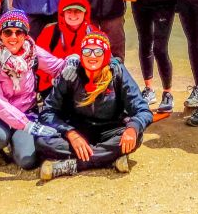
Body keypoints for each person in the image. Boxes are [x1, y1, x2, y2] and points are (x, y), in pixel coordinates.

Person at [37, 32, 153, 179]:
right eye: (87, 51)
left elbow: (143, 110)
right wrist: (70, 133)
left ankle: (73, 165)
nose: (92, 56)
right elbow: (47, 111)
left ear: (106, 54)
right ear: (81, 54)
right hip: (77, 128)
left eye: (98, 51)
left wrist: (133, 128)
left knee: (136, 136)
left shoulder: (117, 72)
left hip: (110, 129)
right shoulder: (71, 74)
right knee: (42, 140)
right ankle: (108, 159)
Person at [0, 10, 67, 168]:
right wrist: (27, 125)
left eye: (19, 32)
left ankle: (15, 142)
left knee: (27, 161)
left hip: (25, 112)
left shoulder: (32, 52)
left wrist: (74, 62)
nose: (13, 37)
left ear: (25, 35)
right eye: (8, 32)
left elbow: (57, 67)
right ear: (0, 34)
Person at [34, 0, 98, 97]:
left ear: (85, 13)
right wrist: (52, 80)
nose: (73, 15)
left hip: (84, 85)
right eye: (69, 11)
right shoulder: (49, 32)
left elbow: (102, 62)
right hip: (53, 85)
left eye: (78, 11)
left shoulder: (94, 33)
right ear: (62, 13)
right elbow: (38, 62)